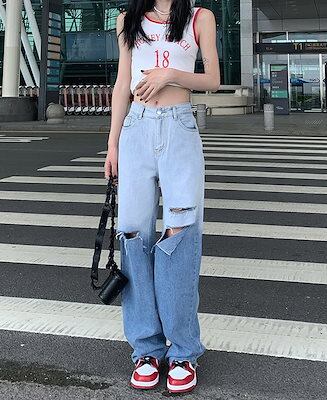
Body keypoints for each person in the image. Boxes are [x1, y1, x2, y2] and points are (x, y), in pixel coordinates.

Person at [104, 0, 220, 394]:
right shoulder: (127, 19)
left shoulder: (200, 18)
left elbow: (213, 79)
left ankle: (183, 350)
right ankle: (146, 349)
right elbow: (123, 82)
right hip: (135, 129)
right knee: (133, 236)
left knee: (179, 235)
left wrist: (170, 75)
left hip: (179, 129)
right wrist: (113, 145)